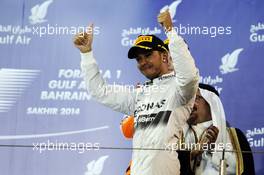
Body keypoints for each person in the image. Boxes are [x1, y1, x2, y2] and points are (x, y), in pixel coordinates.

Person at [73, 11, 199, 175]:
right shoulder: (139, 95)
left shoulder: (179, 89)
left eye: (148, 55)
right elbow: (100, 92)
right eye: (139, 59)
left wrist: (170, 31)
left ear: (164, 57)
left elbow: (189, 76)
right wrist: (86, 54)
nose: (143, 62)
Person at [180, 83, 255, 174]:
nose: (190, 104)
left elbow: (245, 170)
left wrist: (214, 150)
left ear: (211, 103)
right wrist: (193, 154)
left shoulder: (234, 135)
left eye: (196, 98)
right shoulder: (179, 136)